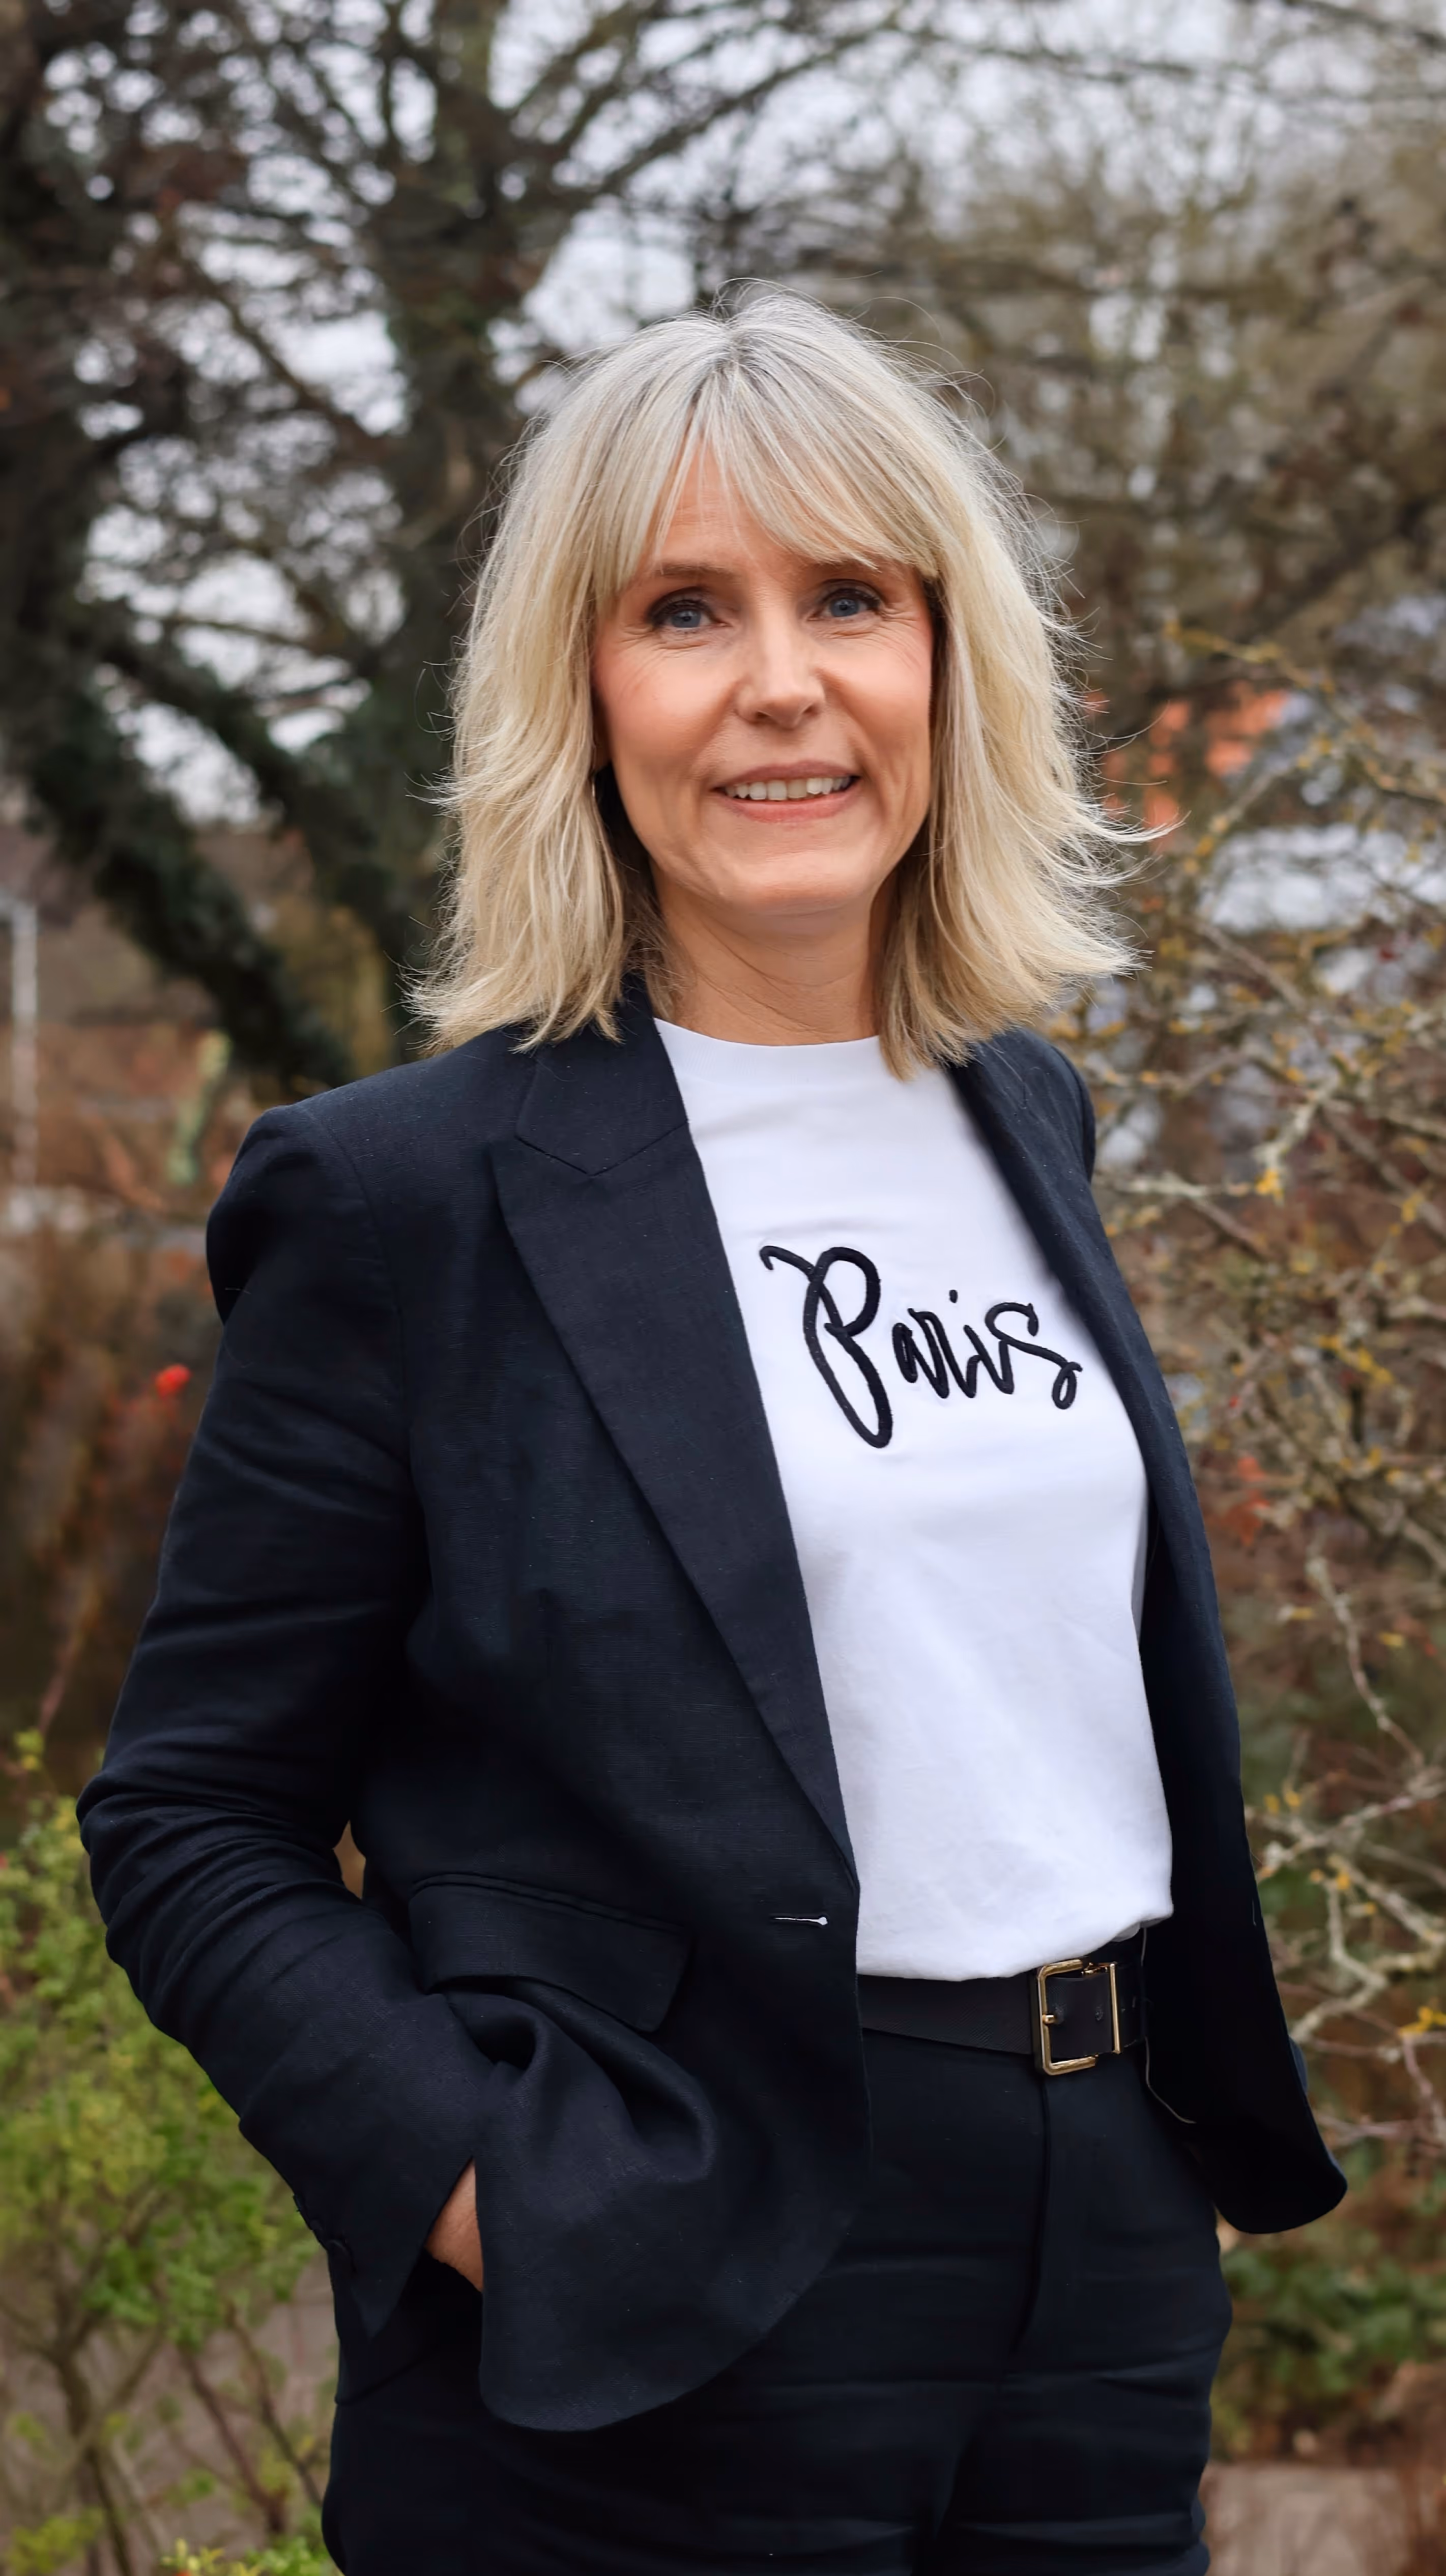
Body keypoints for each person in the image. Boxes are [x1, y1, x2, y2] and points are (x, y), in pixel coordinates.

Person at [79, 289, 1343, 2576]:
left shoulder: (1018, 1117)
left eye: (848, 598)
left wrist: (1144, 2155)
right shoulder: (400, 1197)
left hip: (1096, 2251)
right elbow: (191, 1815)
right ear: (580, 696)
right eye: (684, 610)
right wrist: (486, 2195)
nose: (780, 680)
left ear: (949, 668)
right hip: (659, 2274)